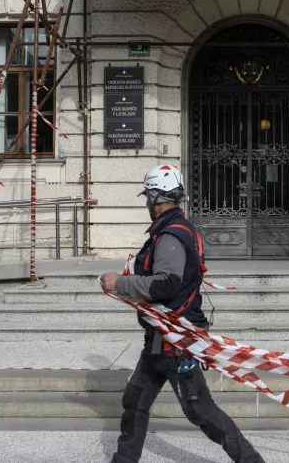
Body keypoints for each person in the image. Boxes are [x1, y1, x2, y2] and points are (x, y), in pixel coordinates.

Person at [100, 164, 266, 463]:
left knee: (199, 410)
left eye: (148, 198)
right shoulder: (174, 230)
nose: (147, 205)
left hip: (177, 341)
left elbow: (166, 283)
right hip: (159, 337)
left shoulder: (170, 235)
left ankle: (251, 461)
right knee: (135, 401)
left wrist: (119, 282)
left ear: (154, 197)